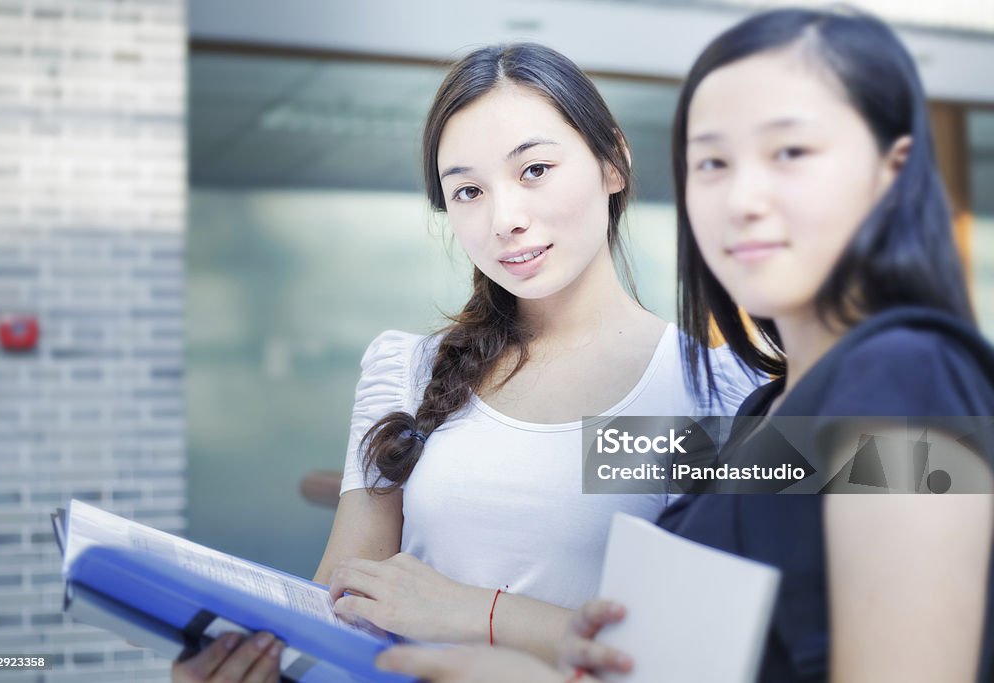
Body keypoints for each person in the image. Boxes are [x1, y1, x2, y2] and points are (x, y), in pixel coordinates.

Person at [372, 7, 994, 683]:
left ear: (891, 170)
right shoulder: (767, 415)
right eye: (712, 162)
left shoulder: (907, 377)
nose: (743, 197)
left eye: (790, 152)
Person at [171, 42, 760, 683]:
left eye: (534, 170)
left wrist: (476, 613)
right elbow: (337, 614)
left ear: (612, 162)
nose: (504, 219)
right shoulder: (408, 370)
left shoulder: (714, 389)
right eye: (469, 190)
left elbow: (710, 654)